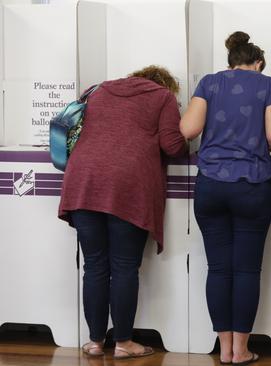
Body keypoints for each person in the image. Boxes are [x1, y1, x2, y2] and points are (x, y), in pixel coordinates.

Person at [58, 66, 187, 359]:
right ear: (164, 85)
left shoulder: (99, 90)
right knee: (124, 267)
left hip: (83, 182)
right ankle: (124, 343)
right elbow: (172, 145)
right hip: (127, 185)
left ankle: (94, 342)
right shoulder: (163, 97)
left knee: (94, 265)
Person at [180, 31, 271, 365]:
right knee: (246, 271)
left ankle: (224, 348)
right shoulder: (266, 83)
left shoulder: (209, 83)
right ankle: (241, 351)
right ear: (257, 63)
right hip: (251, 186)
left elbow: (187, 130)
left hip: (210, 185)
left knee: (218, 268)